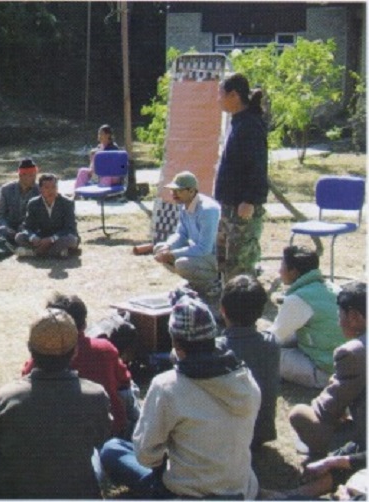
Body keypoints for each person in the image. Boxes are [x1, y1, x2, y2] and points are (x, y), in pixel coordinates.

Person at [100, 292, 260, 499]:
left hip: (187, 494)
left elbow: (146, 456)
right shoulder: (246, 379)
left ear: (175, 342)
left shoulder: (167, 386)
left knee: (112, 449)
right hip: (241, 491)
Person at [0, 308, 111, 499]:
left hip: (16, 492)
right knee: (94, 456)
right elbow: (101, 435)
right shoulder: (96, 396)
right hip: (74, 491)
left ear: (30, 349)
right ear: (75, 351)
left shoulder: (5, 397)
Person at [21, 293, 135, 438]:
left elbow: (26, 375)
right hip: (107, 432)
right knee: (128, 389)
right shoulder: (104, 349)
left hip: (60, 433)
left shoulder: (39, 360)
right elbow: (124, 381)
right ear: (84, 324)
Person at [289, 281, 366, 458]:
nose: (339, 322)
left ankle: (327, 457)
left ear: (353, 317)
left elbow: (327, 408)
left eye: (339, 315)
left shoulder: (353, 352)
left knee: (299, 414)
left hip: (363, 437)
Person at [214, 73, 269, 283]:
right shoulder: (237, 122)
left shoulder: (251, 125)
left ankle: (243, 309)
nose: (218, 99)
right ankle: (227, 304)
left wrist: (250, 200)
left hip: (242, 207)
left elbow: (258, 166)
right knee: (224, 261)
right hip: (228, 205)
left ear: (234, 95)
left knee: (240, 264)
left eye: (221, 94)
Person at [217, 275, 280, 447]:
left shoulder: (218, 349)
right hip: (261, 432)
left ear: (222, 309)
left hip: (231, 438)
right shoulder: (271, 344)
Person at [271, 245, 345, 389]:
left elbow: (273, 337)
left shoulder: (299, 299)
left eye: (282, 266)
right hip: (349, 365)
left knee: (265, 354)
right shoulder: (331, 287)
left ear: (294, 272)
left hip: (325, 372)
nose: (280, 271)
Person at [152, 171, 220, 302]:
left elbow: (205, 248)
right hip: (201, 253)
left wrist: (172, 254)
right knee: (159, 248)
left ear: (191, 191)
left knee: (182, 264)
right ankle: (196, 282)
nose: (173, 194)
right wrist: (167, 246)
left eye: (178, 190)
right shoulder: (185, 206)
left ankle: (214, 282)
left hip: (215, 256)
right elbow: (181, 234)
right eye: (172, 190)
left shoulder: (207, 210)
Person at [15, 173, 80, 258]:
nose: (51, 191)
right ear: (40, 189)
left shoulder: (67, 203)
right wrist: (33, 237)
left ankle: (35, 253)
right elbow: (27, 227)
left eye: (54, 187)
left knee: (71, 240)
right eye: (47, 188)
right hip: (42, 237)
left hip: (60, 237)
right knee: (19, 237)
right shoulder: (33, 203)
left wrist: (51, 239)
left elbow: (69, 228)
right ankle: (57, 252)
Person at [0, 158, 40, 244]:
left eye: (34, 175)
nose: (34, 178)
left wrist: (24, 227)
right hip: (9, 227)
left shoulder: (39, 190)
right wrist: (5, 227)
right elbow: (0, 214)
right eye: (30, 175)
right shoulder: (6, 189)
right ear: (21, 175)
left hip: (28, 227)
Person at [74, 124, 122, 190]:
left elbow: (112, 166)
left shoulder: (113, 148)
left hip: (112, 175)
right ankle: (77, 193)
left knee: (105, 175)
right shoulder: (99, 147)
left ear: (108, 135)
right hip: (98, 173)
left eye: (101, 133)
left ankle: (101, 194)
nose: (99, 136)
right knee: (82, 171)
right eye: (98, 133)